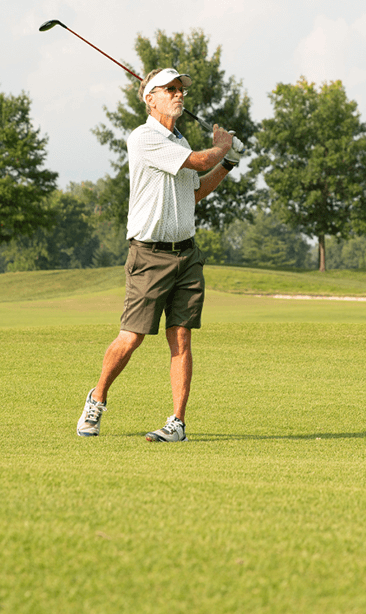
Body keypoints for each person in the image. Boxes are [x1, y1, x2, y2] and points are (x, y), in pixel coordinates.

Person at [77, 67, 244, 442]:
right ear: (149, 98)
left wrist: (229, 163)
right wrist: (222, 145)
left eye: (180, 89)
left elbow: (196, 190)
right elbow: (203, 161)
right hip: (150, 255)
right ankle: (97, 398)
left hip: (187, 254)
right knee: (131, 337)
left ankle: (177, 423)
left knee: (181, 337)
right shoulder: (144, 138)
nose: (178, 94)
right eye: (169, 89)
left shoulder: (181, 142)